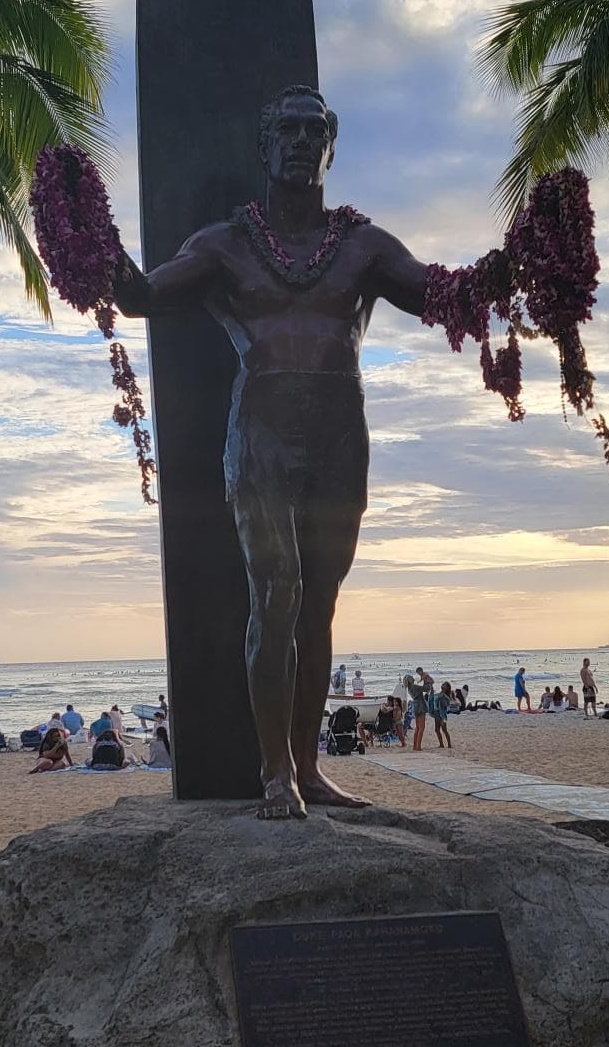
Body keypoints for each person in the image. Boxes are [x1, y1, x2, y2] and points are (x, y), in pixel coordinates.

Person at [115, 83, 430, 820]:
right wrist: (89, 244)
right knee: (277, 593)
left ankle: (310, 768)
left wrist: (523, 261)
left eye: (312, 130)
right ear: (264, 146)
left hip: (339, 434)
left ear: (331, 146)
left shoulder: (364, 246)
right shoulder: (225, 245)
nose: (298, 141)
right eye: (285, 129)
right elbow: (142, 296)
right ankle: (274, 773)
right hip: (261, 432)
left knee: (318, 605)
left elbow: (442, 295)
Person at [405, 671, 428, 750]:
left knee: (418, 728)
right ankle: (418, 746)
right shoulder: (414, 687)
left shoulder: (409, 688)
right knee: (421, 727)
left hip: (415, 706)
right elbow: (426, 688)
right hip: (420, 706)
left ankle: (415, 746)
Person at [433, 682, 453, 749]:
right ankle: (441, 744)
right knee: (437, 729)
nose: (443, 685)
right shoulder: (440, 694)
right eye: (443, 684)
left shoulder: (445, 696)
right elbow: (435, 702)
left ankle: (449, 744)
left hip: (443, 715)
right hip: (437, 713)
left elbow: (446, 705)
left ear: (447, 687)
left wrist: (441, 698)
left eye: (444, 685)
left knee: (444, 729)